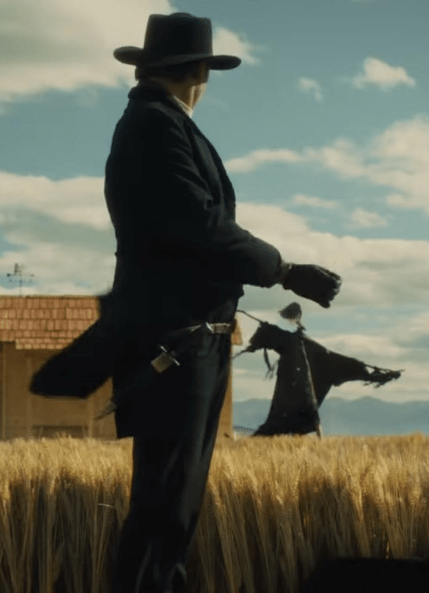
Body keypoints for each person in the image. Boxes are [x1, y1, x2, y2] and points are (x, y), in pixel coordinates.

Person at [100, 13, 342, 593]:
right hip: (178, 342)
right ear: (200, 73)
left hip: (181, 339)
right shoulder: (155, 126)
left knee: (171, 507)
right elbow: (201, 224)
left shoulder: (151, 123)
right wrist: (285, 271)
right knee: (166, 508)